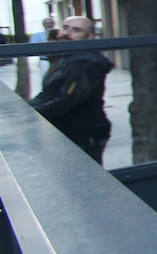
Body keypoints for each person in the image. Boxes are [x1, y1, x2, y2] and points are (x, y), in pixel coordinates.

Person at [29, 15, 114, 163]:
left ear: (88, 37)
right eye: (65, 28)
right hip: (68, 130)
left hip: (84, 132)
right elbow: (49, 92)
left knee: (84, 173)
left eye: (76, 30)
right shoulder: (65, 57)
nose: (66, 33)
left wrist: (31, 113)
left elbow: (68, 100)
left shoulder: (87, 63)